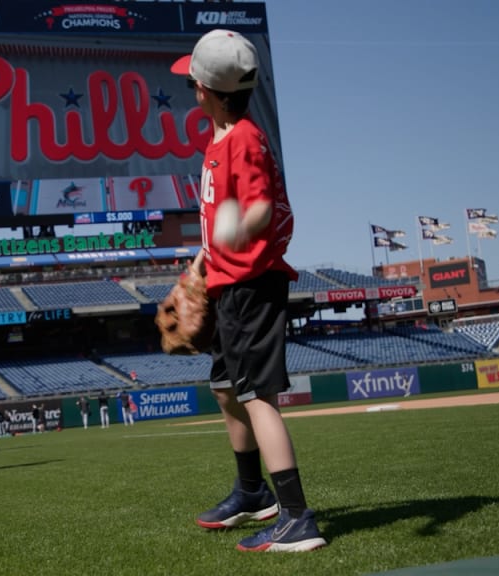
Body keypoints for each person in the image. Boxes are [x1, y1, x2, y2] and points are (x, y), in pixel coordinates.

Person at [169, 29, 326, 552]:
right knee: (225, 387)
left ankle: (297, 517)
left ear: (205, 90)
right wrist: (199, 266)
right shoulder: (219, 137)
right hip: (224, 284)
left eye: (192, 80)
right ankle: (252, 491)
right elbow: (219, 221)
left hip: (252, 287)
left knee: (259, 397)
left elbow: (257, 210)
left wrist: (235, 230)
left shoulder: (244, 139)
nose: (190, 86)